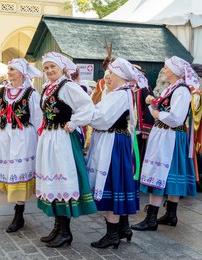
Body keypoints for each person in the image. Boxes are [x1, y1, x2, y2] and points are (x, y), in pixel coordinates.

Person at [131, 56, 200, 232]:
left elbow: (176, 117)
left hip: (171, 136)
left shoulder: (181, 91)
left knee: (160, 172)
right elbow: (164, 108)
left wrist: (156, 114)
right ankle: (170, 215)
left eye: (166, 68)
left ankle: (152, 218)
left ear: (175, 72)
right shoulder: (172, 88)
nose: (164, 71)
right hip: (165, 135)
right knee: (167, 173)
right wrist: (152, 104)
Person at [36, 52, 97, 248]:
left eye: (52, 67)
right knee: (53, 181)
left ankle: (65, 231)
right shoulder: (47, 88)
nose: (49, 71)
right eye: (46, 68)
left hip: (62, 139)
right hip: (49, 138)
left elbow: (87, 106)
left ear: (62, 68)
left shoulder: (68, 86)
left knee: (62, 180)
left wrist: (74, 123)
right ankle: (57, 227)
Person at [86, 57, 148, 249]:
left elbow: (102, 119)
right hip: (117, 140)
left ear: (121, 75)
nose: (108, 77)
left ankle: (112, 234)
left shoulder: (119, 95)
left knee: (112, 185)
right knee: (118, 183)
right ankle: (123, 227)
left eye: (111, 73)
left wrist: (84, 112)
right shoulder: (125, 92)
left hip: (113, 142)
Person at [0, 58, 43, 233]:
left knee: (19, 173)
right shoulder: (2, 92)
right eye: (8, 69)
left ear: (21, 73)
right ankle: (17, 213)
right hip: (4, 137)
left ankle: (19, 215)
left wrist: (40, 142)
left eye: (12, 69)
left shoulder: (31, 94)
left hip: (23, 138)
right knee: (10, 173)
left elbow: (38, 120)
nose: (9, 72)